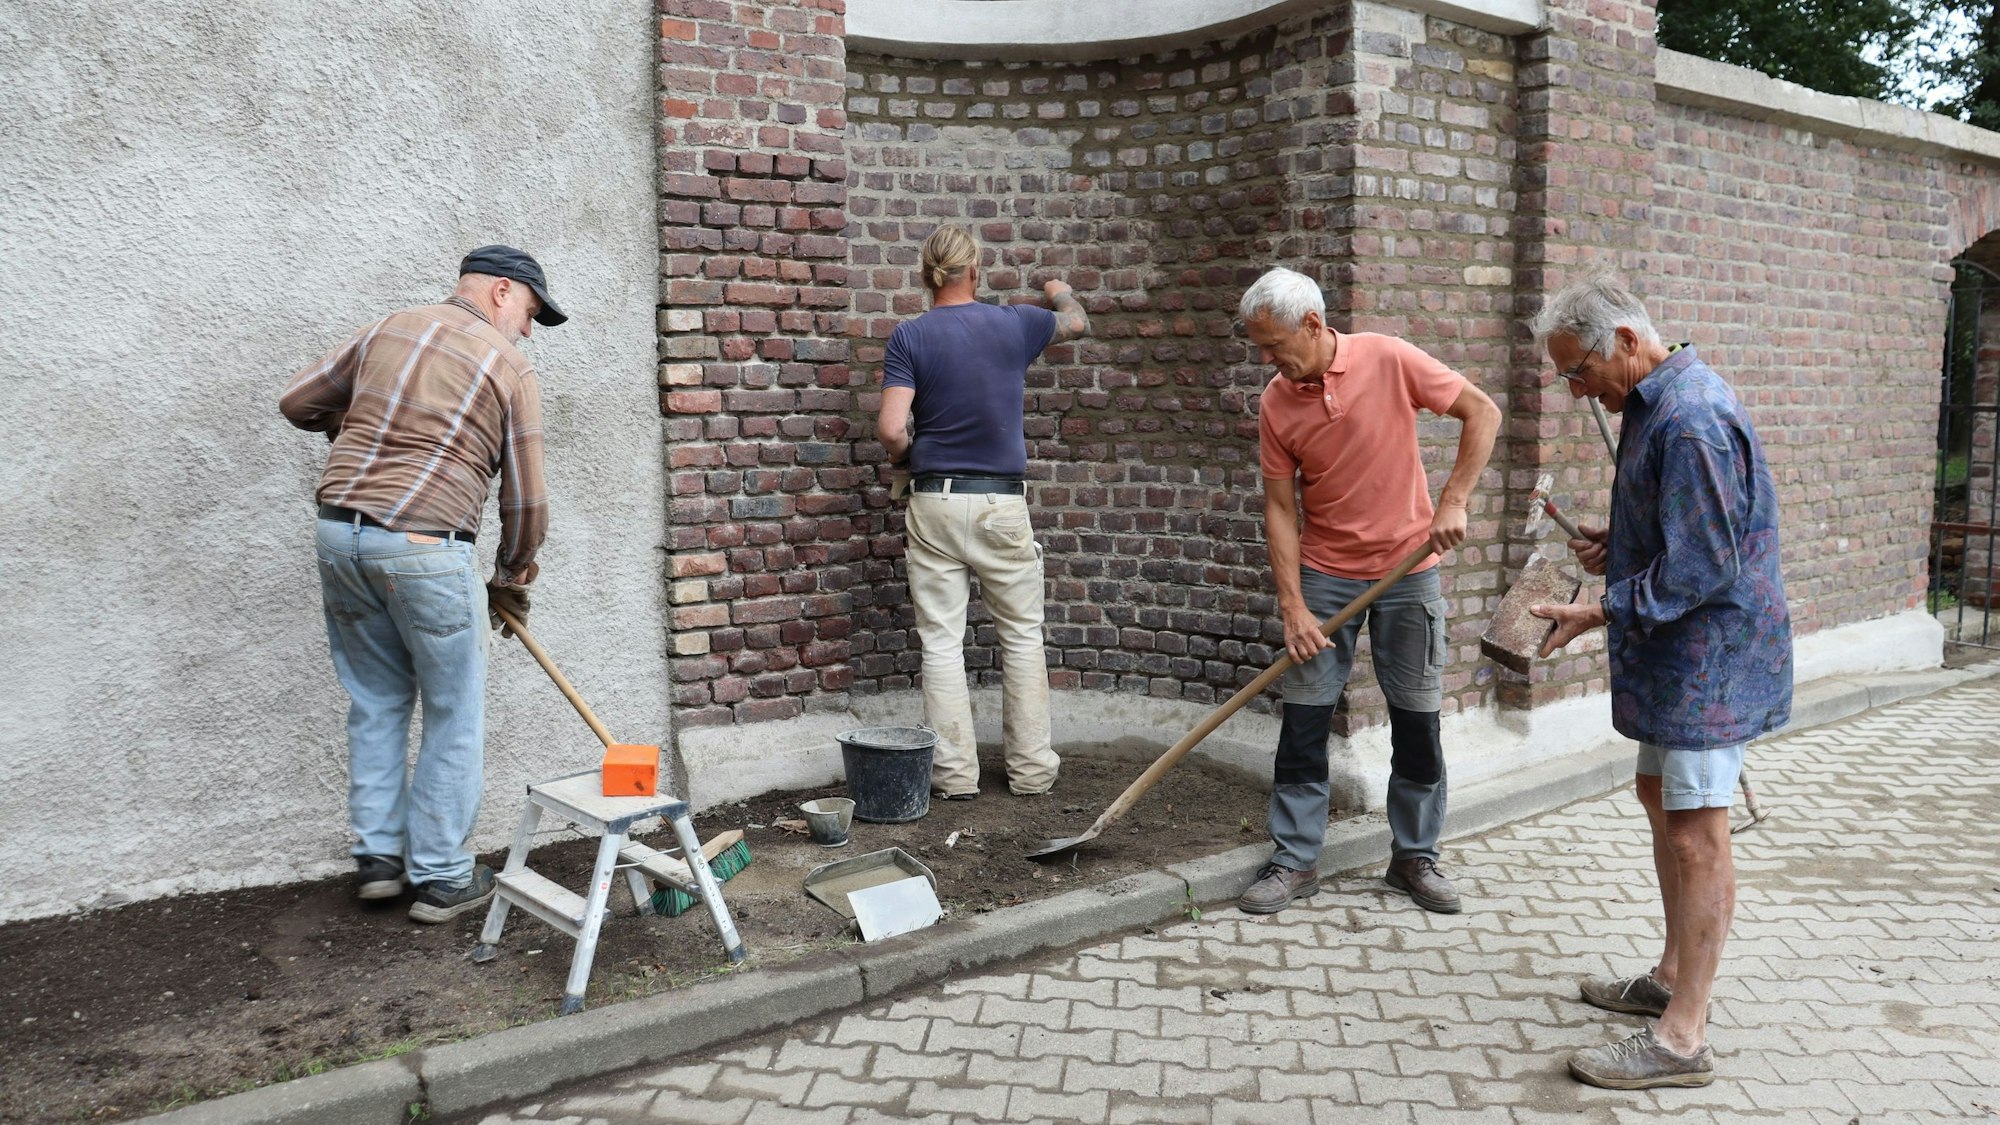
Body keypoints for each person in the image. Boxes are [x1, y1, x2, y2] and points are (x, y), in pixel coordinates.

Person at [1530, 275, 1792, 1089]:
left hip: (1709, 659)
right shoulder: (1653, 405)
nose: (1576, 391)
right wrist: (1629, 533)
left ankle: (1683, 1039)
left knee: (1695, 832)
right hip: (1677, 655)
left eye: (1579, 371)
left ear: (1629, 343)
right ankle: (1672, 976)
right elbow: (1692, 527)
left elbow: (1707, 566)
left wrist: (1600, 609)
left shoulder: (1692, 420)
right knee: (1659, 800)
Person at [280, 245, 563, 924]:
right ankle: (441, 875)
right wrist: (511, 575)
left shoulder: (387, 327)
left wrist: (348, 426)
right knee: (453, 708)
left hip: (338, 535)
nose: (526, 329)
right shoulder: (508, 364)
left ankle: (379, 859)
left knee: (375, 698)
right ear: (502, 291)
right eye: (529, 311)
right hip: (423, 545)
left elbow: (297, 402)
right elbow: (525, 504)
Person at [1236, 267, 1500, 916]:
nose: (1268, 361)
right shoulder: (1277, 401)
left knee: (1416, 719)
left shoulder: (1386, 357)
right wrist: (1294, 605)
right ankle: (1295, 860)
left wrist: (1454, 499)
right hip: (1325, 577)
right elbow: (1278, 507)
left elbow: (1481, 410)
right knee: (1303, 719)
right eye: (1259, 349)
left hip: (1410, 569)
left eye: (1273, 345)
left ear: (1313, 324)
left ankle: (1414, 856)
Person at [874, 225, 1090, 799]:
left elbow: (892, 429)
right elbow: (1075, 323)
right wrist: (1057, 288)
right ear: (976, 270)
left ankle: (954, 777)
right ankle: (1031, 772)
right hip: (1001, 502)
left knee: (941, 641)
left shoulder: (909, 336)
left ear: (927, 275)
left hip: (935, 500)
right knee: (1021, 635)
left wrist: (908, 458)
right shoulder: (1017, 322)